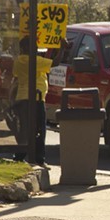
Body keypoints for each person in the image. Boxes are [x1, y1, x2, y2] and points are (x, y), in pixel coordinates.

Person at [11, 36, 67, 168]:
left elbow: (16, 75)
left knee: (24, 130)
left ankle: (19, 157)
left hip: (22, 99)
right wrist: (62, 48)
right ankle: (39, 159)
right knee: (40, 129)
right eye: (33, 47)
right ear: (26, 48)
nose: (36, 49)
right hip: (35, 99)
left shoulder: (19, 61)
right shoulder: (34, 61)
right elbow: (55, 63)